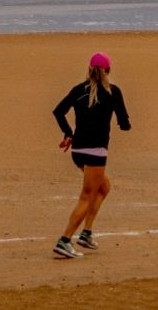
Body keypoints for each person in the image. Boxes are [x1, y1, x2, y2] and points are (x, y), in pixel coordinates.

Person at [51, 51, 130, 259]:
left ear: (89, 70)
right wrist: (121, 122)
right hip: (96, 151)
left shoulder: (78, 90)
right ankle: (64, 240)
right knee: (87, 196)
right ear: (108, 71)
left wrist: (69, 133)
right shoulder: (113, 92)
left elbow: (58, 111)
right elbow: (125, 124)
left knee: (104, 187)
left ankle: (86, 234)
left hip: (78, 150)